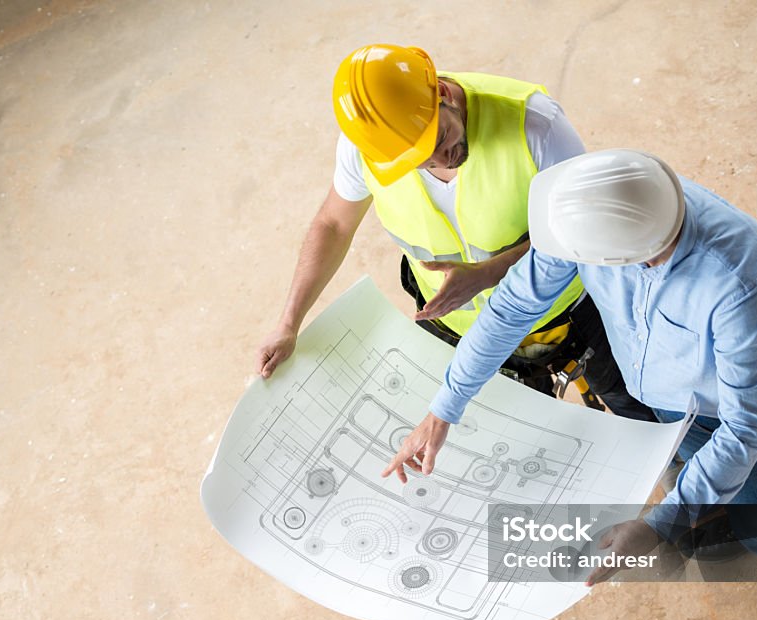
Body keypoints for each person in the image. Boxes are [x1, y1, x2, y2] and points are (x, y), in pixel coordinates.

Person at [383, 149, 757, 620]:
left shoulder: (738, 273)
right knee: (693, 476)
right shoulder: (585, 209)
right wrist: (443, 408)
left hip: (724, 410)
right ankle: (713, 511)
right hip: (662, 396)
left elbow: (747, 427)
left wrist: (660, 525)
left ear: (637, 254)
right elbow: (510, 309)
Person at [255, 44, 653, 420]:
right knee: (499, 428)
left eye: (440, 138)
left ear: (442, 92)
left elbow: (589, 226)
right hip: (458, 328)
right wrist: (288, 323)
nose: (439, 159)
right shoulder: (373, 147)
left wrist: (486, 274)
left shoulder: (534, 124)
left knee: (628, 398)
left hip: (564, 310)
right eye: (417, 160)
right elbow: (333, 223)